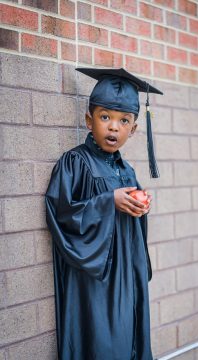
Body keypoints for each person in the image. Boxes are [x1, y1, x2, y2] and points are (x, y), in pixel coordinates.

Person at [45, 68, 163, 360]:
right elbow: (61, 212)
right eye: (105, 117)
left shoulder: (127, 170)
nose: (114, 128)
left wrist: (140, 207)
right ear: (89, 120)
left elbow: (130, 220)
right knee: (103, 343)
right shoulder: (75, 163)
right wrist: (108, 201)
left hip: (127, 272)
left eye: (124, 121)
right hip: (95, 277)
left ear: (134, 129)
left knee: (130, 337)